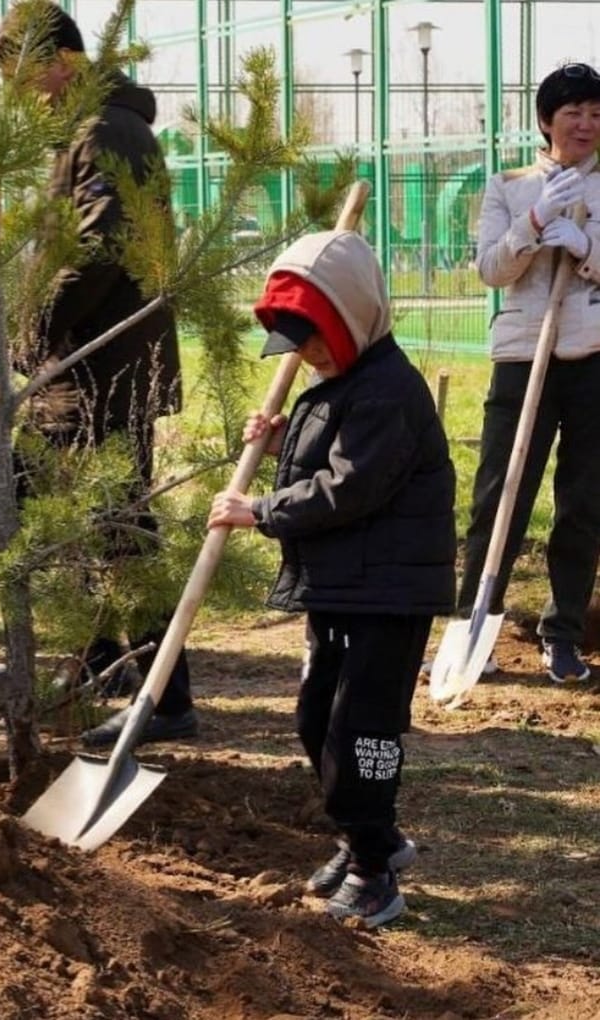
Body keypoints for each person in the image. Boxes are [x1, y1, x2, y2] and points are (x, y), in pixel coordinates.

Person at [206, 229, 456, 927]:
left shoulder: (388, 392)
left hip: (390, 592)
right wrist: (287, 438)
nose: (307, 355)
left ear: (352, 316)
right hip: (346, 586)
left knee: (366, 734)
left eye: (315, 339)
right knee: (318, 718)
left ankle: (376, 872)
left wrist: (258, 509)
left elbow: (351, 485)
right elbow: (331, 451)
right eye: (298, 344)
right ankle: (367, 836)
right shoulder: (340, 381)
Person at [0, 1, 194, 747]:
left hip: (103, 361)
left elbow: (100, 247)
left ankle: (166, 694)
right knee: (84, 525)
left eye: (19, 73)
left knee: (118, 525)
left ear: (60, 59)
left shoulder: (107, 129)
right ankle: (111, 667)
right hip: (83, 361)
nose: (16, 93)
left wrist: (34, 322)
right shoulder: (83, 128)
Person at [459, 61, 600, 685]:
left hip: (593, 358)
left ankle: (563, 633)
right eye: (573, 113)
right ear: (547, 122)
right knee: (500, 494)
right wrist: (537, 223)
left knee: (584, 503)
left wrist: (587, 247)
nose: (586, 125)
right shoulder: (509, 185)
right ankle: (473, 625)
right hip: (522, 357)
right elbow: (490, 268)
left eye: (596, 114)